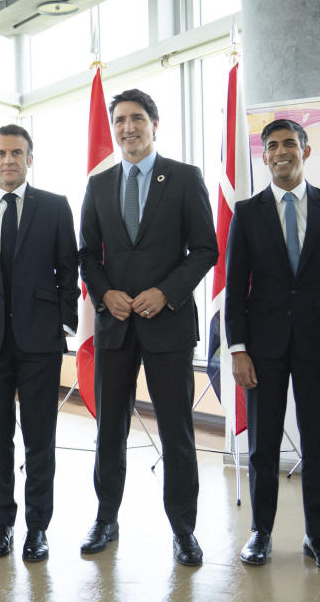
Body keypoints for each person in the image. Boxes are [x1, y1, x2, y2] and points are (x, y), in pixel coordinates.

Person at [78, 89, 217, 566]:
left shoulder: (183, 177)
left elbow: (205, 249)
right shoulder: (99, 185)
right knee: (109, 430)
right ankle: (105, 518)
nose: (127, 127)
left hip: (169, 324)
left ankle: (183, 530)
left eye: (137, 118)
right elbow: (85, 256)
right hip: (115, 325)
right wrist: (105, 293)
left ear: (155, 124)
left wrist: (167, 292)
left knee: (176, 430)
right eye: (119, 120)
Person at [225, 119, 320, 571]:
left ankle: (317, 537)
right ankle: (261, 533)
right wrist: (237, 348)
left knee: (318, 445)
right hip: (261, 348)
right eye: (272, 146)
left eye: (289, 144)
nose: (281, 151)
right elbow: (235, 286)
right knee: (264, 445)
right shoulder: (247, 212)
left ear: (306, 150)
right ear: (263, 156)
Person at [0, 125, 80, 562]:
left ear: (30, 158)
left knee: (40, 440)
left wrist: (62, 323)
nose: (9, 160)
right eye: (1, 153)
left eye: (17, 153)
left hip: (40, 344)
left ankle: (37, 528)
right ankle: (1, 525)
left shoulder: (56, 207)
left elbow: (69, 272)